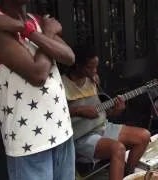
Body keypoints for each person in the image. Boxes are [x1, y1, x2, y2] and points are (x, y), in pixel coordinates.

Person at [0, 0, 76, 179]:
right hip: (29, 143)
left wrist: (29, 31)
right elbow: (38, 74)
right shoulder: (1, 25)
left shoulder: (36, 20)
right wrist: (46, 33)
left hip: (62, 131)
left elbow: (69, 56)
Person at [62, 45, 150, 180]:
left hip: (103, 127)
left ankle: (128, 174)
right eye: (90, 67)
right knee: (118, 149)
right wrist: (79, 110)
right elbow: (55, 116)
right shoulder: (61, 84)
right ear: (77, 65)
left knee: (144, 136)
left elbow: (105, 113)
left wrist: (116, 110)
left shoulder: (93, 80)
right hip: (81, 137)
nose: (94, 71)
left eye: (96, 67)